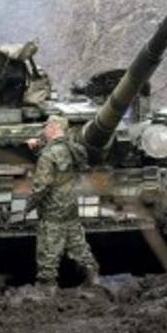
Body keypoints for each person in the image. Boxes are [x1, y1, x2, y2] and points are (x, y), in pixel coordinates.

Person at [27, 115, 100, 288]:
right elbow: (68, 162)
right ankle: (93, 280)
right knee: (78, 246)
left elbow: (41, 186)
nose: (44, 130)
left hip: (52, 211)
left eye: (46, 127)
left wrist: (29, 205)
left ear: (53, 127)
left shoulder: (48, 155)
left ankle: (46, 288)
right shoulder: (74, 149)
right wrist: (39, 148)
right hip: (70, 207)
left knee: (48, 252)